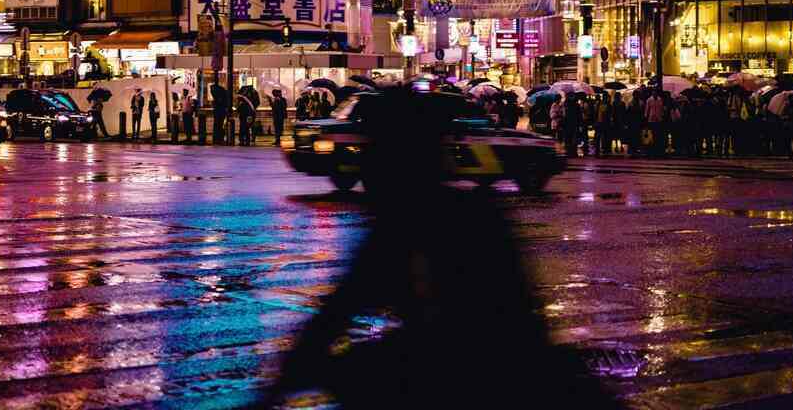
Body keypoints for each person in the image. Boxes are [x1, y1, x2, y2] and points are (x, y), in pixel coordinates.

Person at [260, 87, 620, 409]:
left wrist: (284, 382)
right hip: (475, 366)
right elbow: (340, 310)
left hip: (492, 373)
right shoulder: (456, 215)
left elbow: (337, 314)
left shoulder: (430, 223)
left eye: (380, 156)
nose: (372, 172)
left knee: (359, 369)